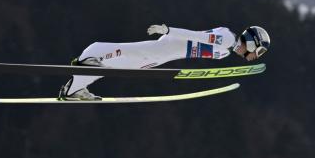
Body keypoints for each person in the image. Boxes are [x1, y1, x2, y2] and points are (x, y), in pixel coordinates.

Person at [57, 25, 270, 101]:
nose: (256, 55)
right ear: (252, 42)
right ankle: (91, 53)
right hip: (164, 48)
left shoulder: (226, 51)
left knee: (111, 69)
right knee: (124, 50)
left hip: (161, 57)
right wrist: (168, 30)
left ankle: (74, 89)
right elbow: (196, 36)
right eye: (258, 50)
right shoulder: (228, 39)